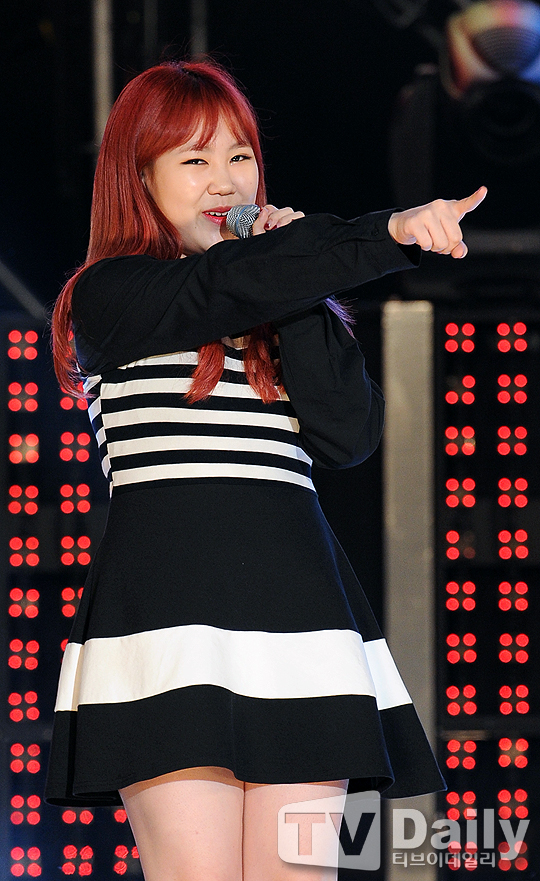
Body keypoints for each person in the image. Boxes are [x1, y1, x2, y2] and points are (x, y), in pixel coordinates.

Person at [45, 58, 487, 881]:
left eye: (239, 155)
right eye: (195, 159)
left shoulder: (280, 300)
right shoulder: (112, 295)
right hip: (167, 625)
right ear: (139, 178)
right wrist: (387, 230)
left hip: (301, 625)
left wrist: (301, 282)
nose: (225, 180)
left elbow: (349, 435)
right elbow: (217, 286)